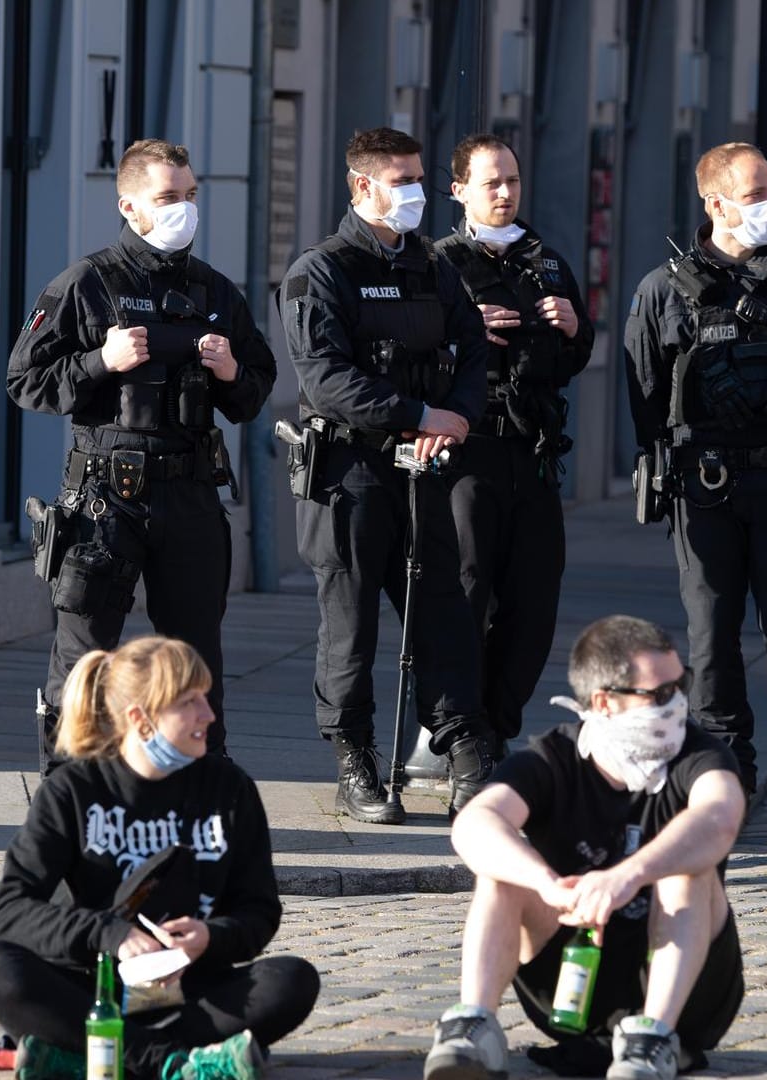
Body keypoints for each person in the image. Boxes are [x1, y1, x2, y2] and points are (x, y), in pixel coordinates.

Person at [7, 138, 276, 772]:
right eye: (167, 198)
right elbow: (24, 380)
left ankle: (198, 781)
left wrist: (233, 370)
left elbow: (254, 393)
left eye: (189, 196)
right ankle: (66, 786)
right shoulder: (86, 283)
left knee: (194, 654)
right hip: (105, 499)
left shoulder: (216, 291)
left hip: (188, 493)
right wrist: (103, 361)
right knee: (84, 653)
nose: (183, 208)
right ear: (130, 207)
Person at [623, 142, 767, 846]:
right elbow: (644, 403)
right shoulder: (663, 290)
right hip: (705, 489)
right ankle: (724, 788)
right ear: (715, 203)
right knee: (714, 643)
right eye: (754, 194)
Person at [0, 636, 319, 1080]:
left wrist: (209, 937)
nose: (208, 715)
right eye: (189, 703)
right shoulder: (72, 790)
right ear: (141, 718)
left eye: (205, 699)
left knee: (292, 979)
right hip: (91, 995)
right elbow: (12, 912)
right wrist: (109, 934)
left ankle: (87, 1059)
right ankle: (174, 1064)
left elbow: (259, 910)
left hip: (190, 994)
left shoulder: (230, 788)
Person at [281, 126, 498, 823]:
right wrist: (419, 414)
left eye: (417, 178)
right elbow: (327, 381)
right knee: (350, 625)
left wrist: (455, 417)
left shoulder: (434, 268)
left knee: (442, 614)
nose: (413, 193)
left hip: (423, 469)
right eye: (399, 180)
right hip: (350, 471)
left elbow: (471, 351)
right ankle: (355, 758)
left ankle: (464, 748)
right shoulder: (322, 271)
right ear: (361, 186)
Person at [423, 615, 745, 1080]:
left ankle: (652, 1039)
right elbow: (475, 823)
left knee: (685, 867)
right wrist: (547, 884)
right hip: (571, 981)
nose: (677, 703)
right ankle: (472, 1027)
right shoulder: (555, 756)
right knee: (502, 869)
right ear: (604, 702)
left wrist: (627, 876)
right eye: (659, 694)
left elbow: (718, 819)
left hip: (687, 995)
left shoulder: (701, 754)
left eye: (682, 684)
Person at [434, 134, 594, 751]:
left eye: (513, 182)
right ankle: (460, 731)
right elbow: (417, 356)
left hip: (533, 451)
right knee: (468, 589)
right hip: (470, 448)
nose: (505, 194)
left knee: (533, 599)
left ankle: (497, 726)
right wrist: (461, 337)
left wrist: (577, 328)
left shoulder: (544, 260)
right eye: (491, 183)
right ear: (460, 191)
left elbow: (574, 356)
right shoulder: (439, 262)